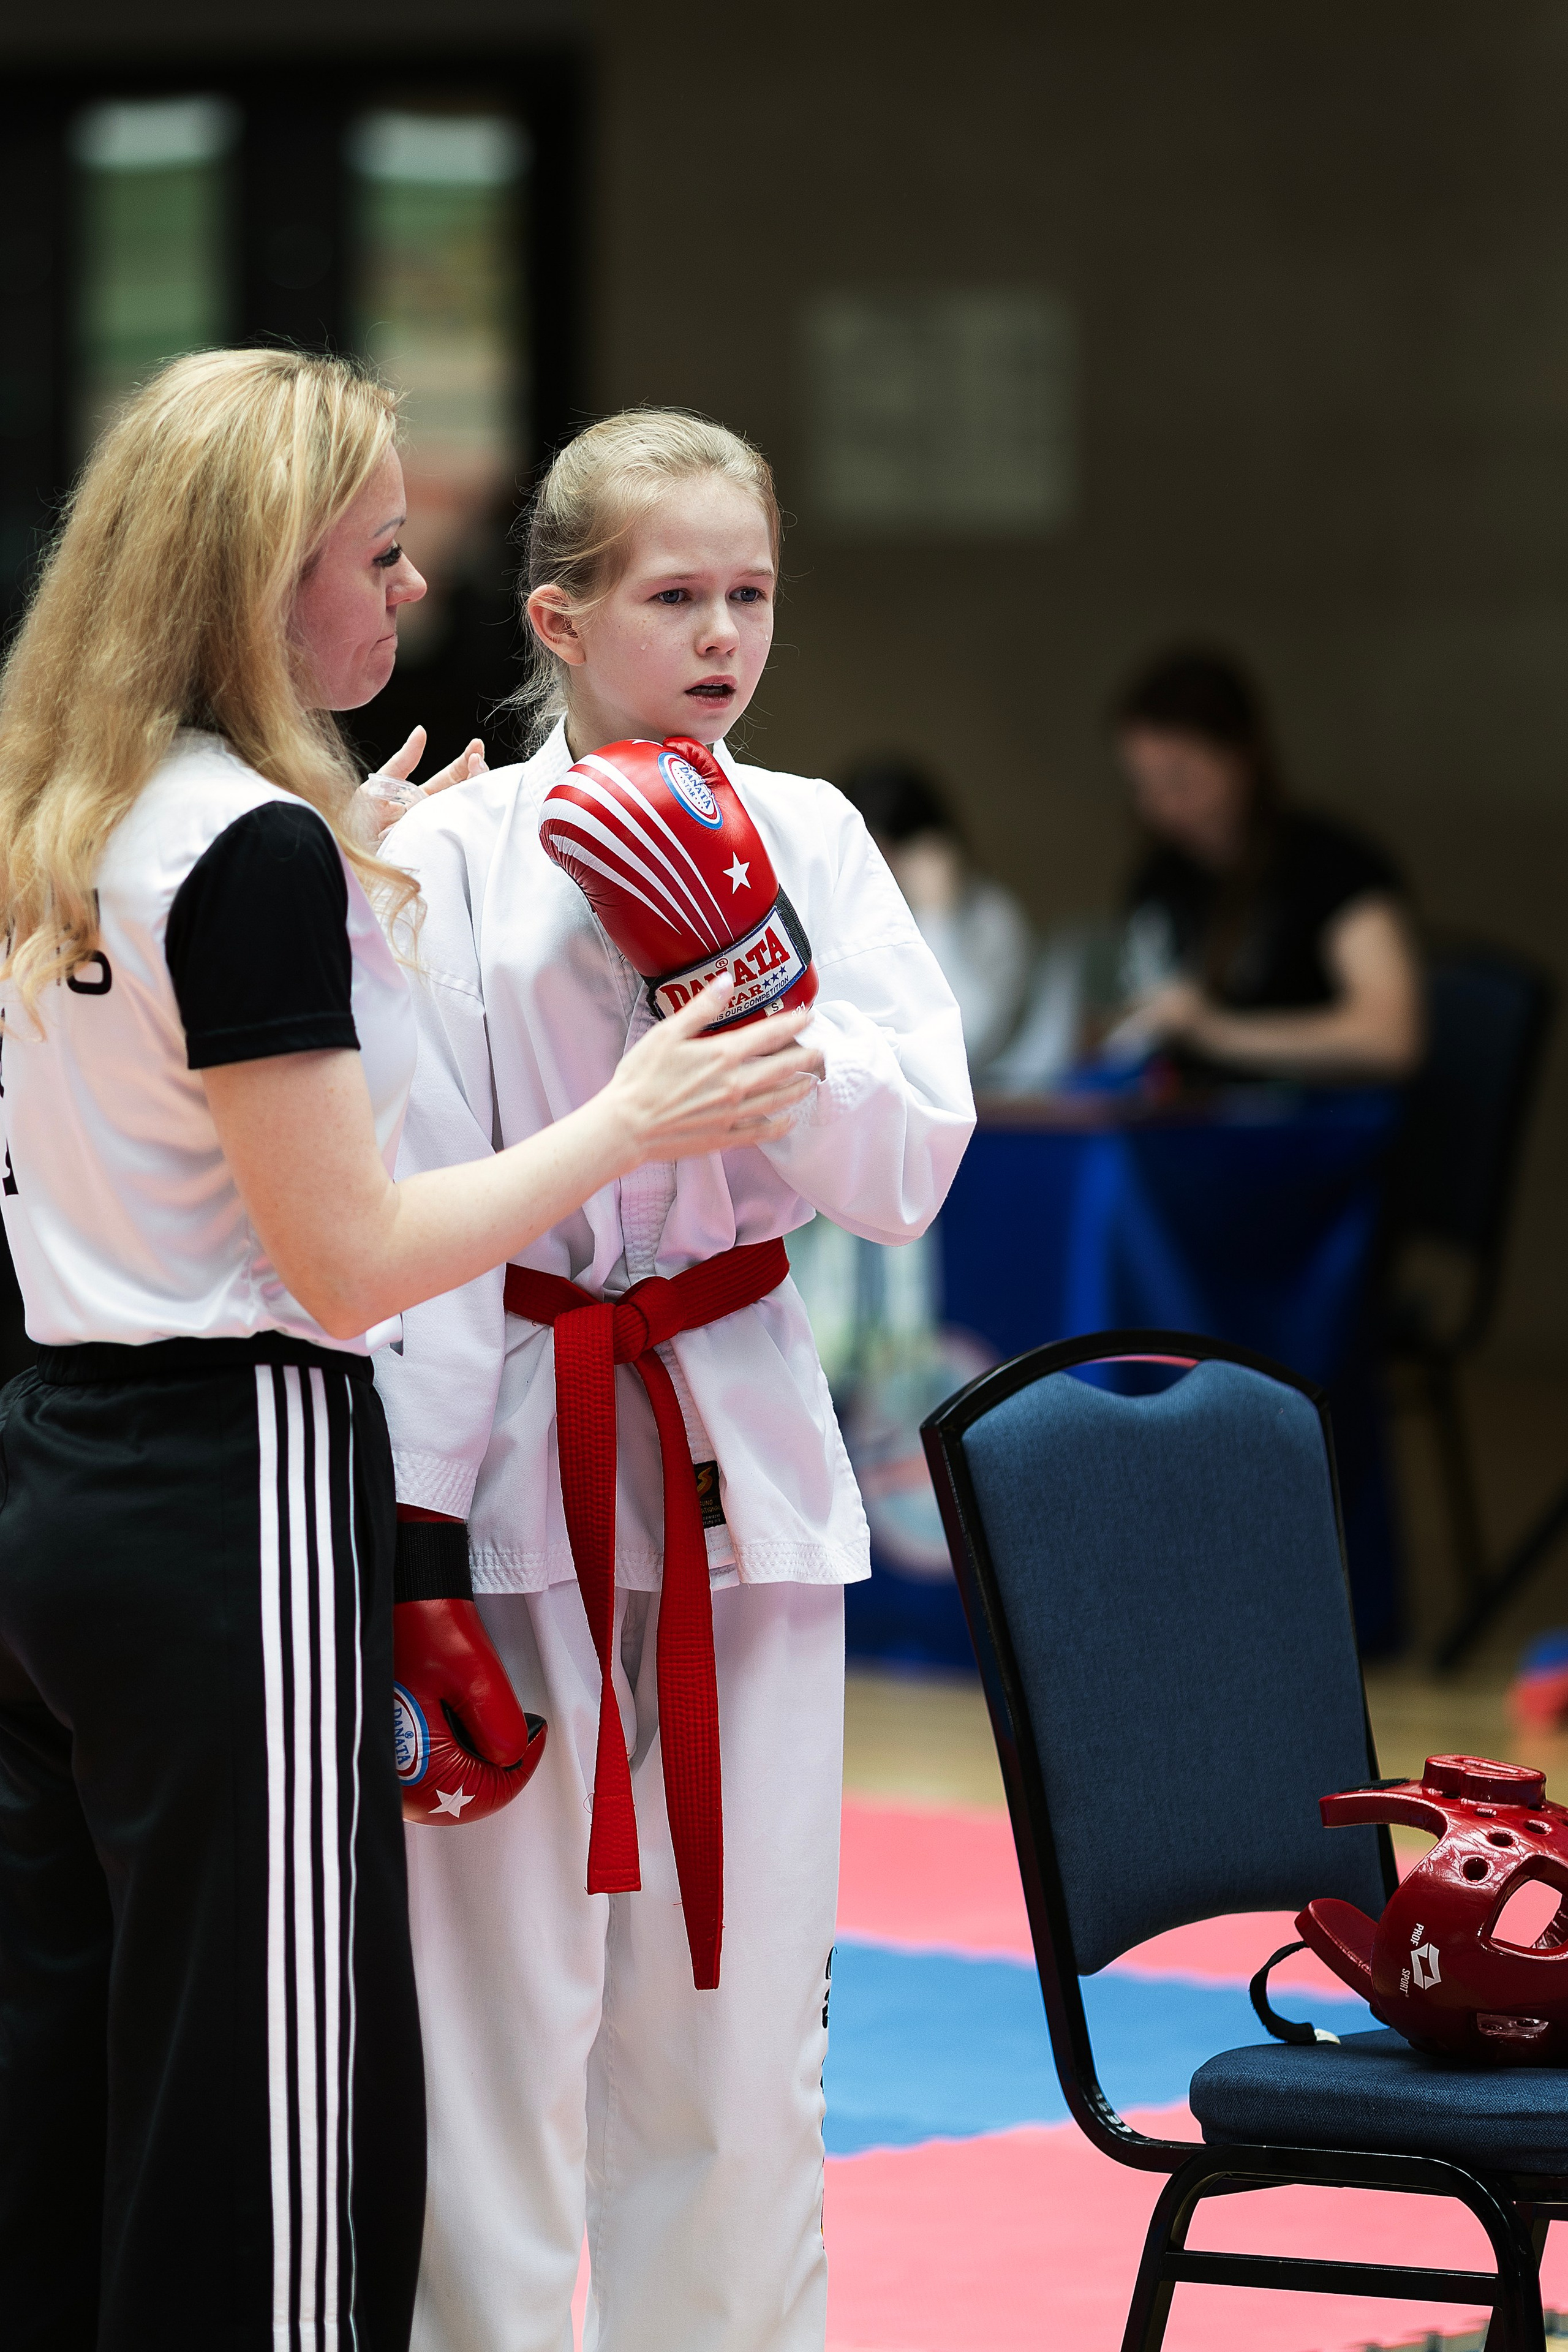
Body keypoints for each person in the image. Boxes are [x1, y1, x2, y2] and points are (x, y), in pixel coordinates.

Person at [0, 352, 820, 2352]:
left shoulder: (67, 812)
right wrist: (630, 1120)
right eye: (373, 557)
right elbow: (352, 1261)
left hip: (54, 1462)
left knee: (68, 2061)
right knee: (273, 2102)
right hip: (232, 1485)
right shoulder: (252, 856)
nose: (399, 599)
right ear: (262, 577)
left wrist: (336, 859)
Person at [373, 409, 974, 2352]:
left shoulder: (808, 834)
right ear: (559, 614)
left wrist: (765, 977)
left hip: (735, 1452)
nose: (722, 635)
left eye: (751, 595)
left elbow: (903, 1177)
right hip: (513, 1455)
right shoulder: (449, 861)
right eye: (674, 595)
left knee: (730, 2043)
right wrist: (417, 1543)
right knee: (487, 2049)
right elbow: (413, 1215)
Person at [1107, 646, 1423, 1080]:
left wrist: (1218, 1033)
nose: (1162, 806)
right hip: (1189, 1123)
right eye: (1142, 785)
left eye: (1180, 778)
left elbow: (1391, 1037)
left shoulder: (1334, 865)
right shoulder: (1160, 878)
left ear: (1241, 758)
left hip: (1313, 1124)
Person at [840, 753, 1033, 1071]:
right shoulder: (843, 912)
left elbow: (966, 1040)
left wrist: (937, 919)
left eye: (887, 854)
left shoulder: (990, 918)